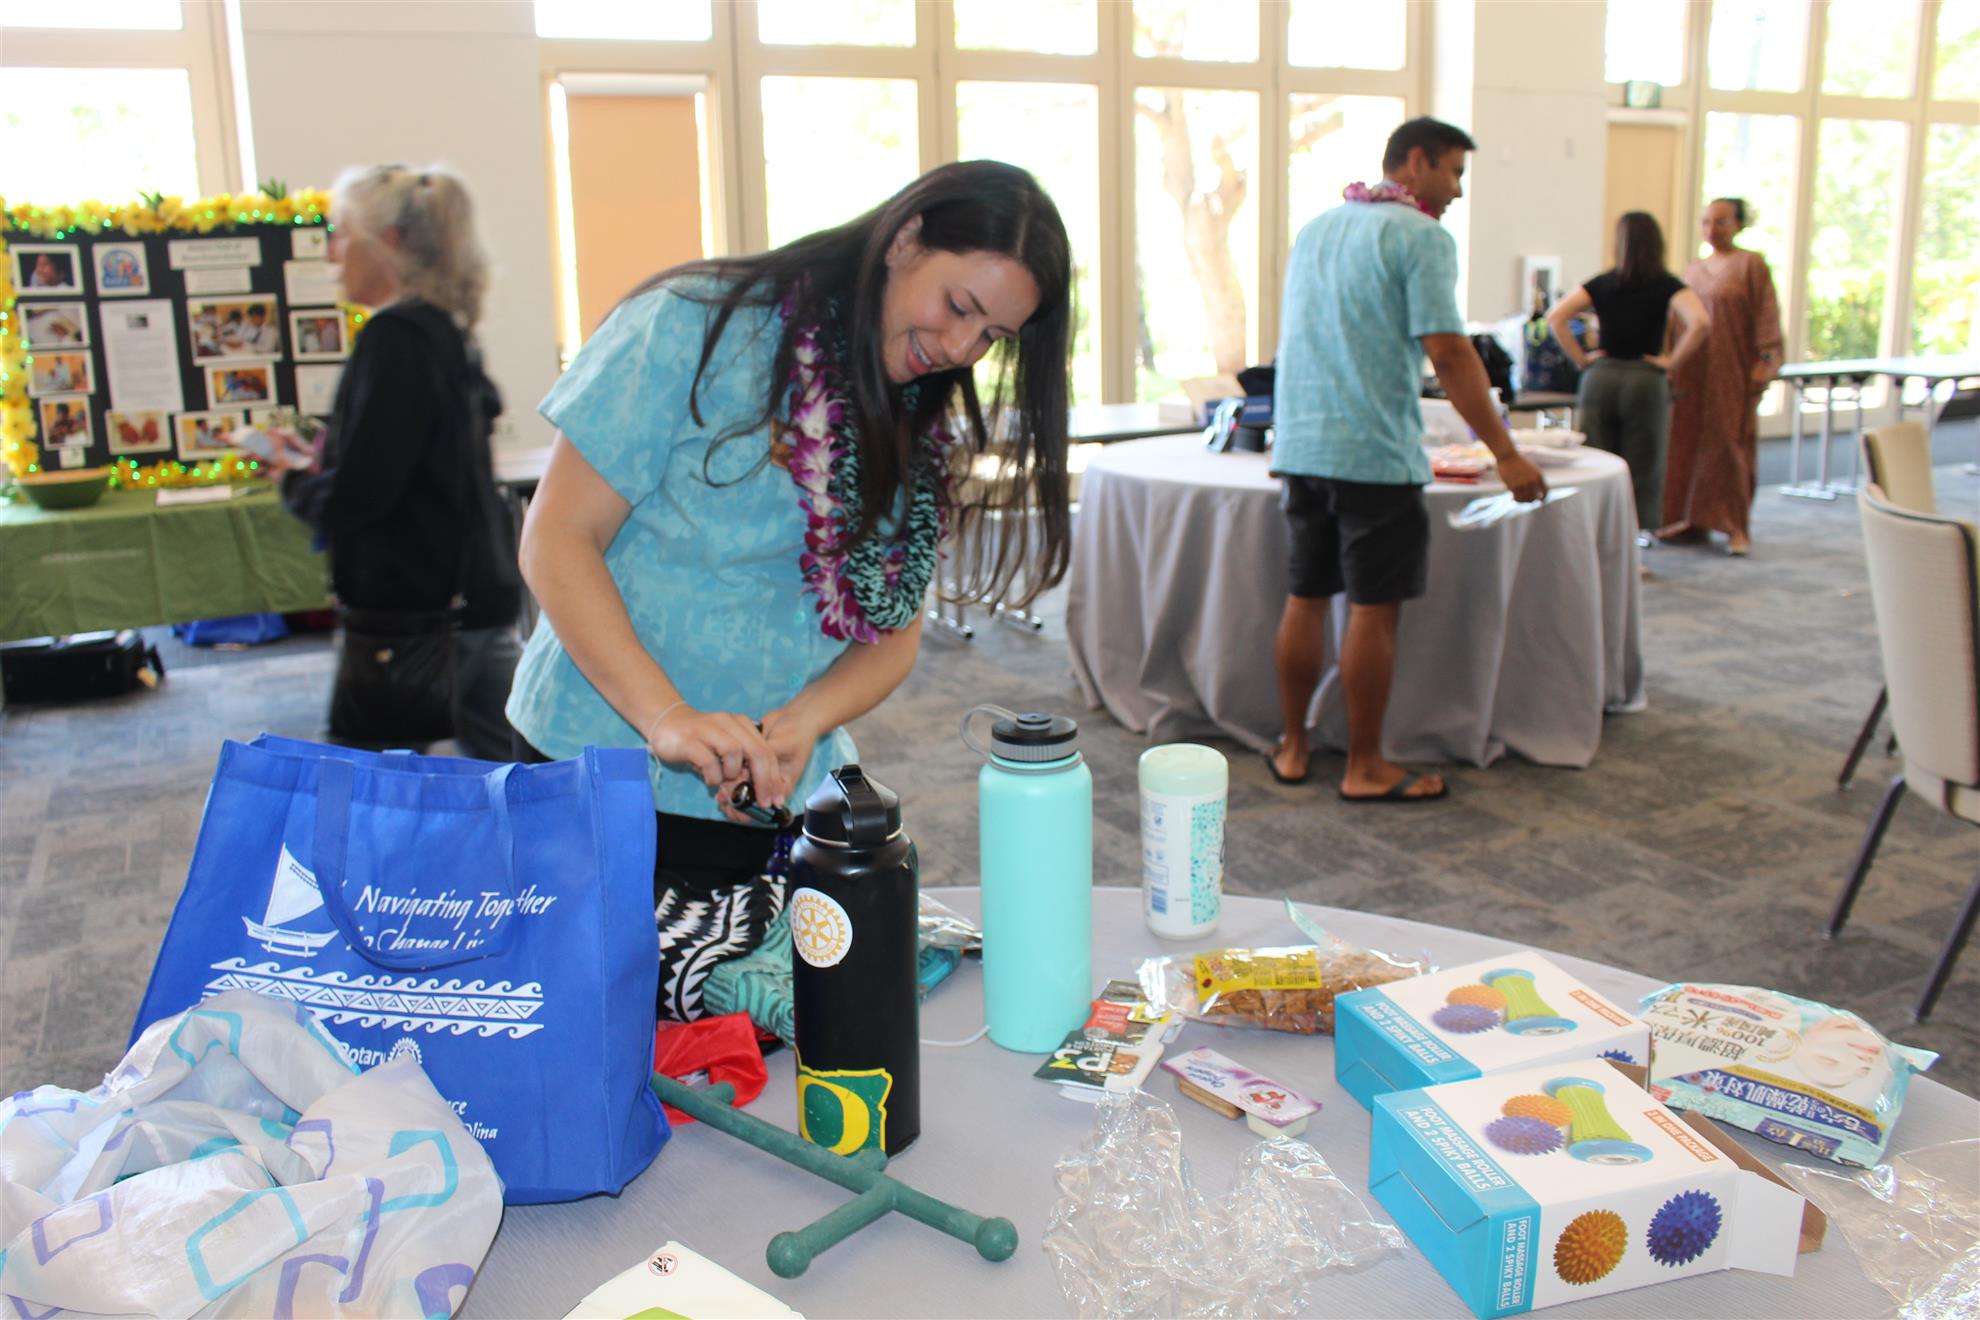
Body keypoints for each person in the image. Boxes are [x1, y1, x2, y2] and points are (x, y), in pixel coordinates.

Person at [504, 159, 1071, 1018]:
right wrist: (666, 716)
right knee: (596, 1031)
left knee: (740, 1042)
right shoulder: (694, 324)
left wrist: (807, 718)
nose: (961, 350)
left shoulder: (914, 409)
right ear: (905, 240)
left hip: (767, 797)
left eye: (992, 337)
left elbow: (894, 631)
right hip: (596, 770)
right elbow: (557, 541)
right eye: (958, 307)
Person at [1268, 117, 1547, 803]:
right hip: (1372, 454)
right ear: (1416, 163)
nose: (1457, 191)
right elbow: (1448, 352)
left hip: (1302, 445)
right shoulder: (1421, 236)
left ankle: (1294, 747)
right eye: (1454, 172)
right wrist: (1506, 453)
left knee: (1306, 597)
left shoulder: (1317, 230)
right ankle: (1365, 766)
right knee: (1372, 610)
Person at [267, 163, 523, 760]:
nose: (332, 254)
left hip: (416, 612)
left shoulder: (395, 340)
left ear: (386, 244)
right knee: (508, 778)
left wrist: (293, 481)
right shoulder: (444, 331)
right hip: (471, 596)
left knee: (362, 784)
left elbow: (360, 495)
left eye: (341, 235)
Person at [1545, 212, 1710, 543]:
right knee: (1643, 466)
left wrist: (1582, 359)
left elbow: (1556, 317)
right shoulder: (1667, 284)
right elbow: (1701, 323)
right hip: (1645, 380)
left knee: (1597, 462)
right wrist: (1671, 362)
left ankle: (1593, 541)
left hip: (1601, 379)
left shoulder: (1603, 282)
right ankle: (1632, 546)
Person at [1657, 197, 1783, 557]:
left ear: (1739, 224)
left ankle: (1735, 525)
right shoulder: (1693, 271)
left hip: (1732, 370)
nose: (1712, 229)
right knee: (1686, 444)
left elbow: (1767, 317)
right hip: (1691, 373)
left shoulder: (1750, 265)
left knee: (1729, 445)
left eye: (1721, 221)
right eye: (1707, 222)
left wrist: (1764, 363)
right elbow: (1675, 321)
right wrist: (1669, 361)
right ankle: (1690, 518)